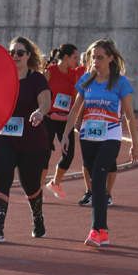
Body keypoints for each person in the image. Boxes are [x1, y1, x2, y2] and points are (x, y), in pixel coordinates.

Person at [61, 39, 138, 247]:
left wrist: (134, 144)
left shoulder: (120, 83)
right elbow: (75, 110)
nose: (95, 61)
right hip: (88, 137)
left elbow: (131, 117)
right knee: (94, 180)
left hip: (111, 136)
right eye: (93, 57)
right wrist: (65, 135)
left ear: (111, 59)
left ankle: (97, 230)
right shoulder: (86, 79)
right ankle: (102, 231)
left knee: (98, 178)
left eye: (100, 57)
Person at [0, 37, 52, 243]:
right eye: (11, 52)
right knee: (0, 176)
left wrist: (40, 112)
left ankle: (37, 217)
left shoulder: (37, 79)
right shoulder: (0, 77)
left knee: (31, 184)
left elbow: (45, 101)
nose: (15, 56)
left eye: (20, 53)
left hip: (31, 139)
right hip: (2, 137)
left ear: (28, 56)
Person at [43, 43, 83, 199]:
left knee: (69, 154)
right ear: (65, 58)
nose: (77, 61)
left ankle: (55, 182)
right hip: (48, 119)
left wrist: (73, 117)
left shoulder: (74, 75)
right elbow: (40, 96)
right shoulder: (49, 72)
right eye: (75, 57)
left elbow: (76, 99)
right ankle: (37, 191)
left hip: (65, 120)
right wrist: (46, 112)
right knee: (43, 155)